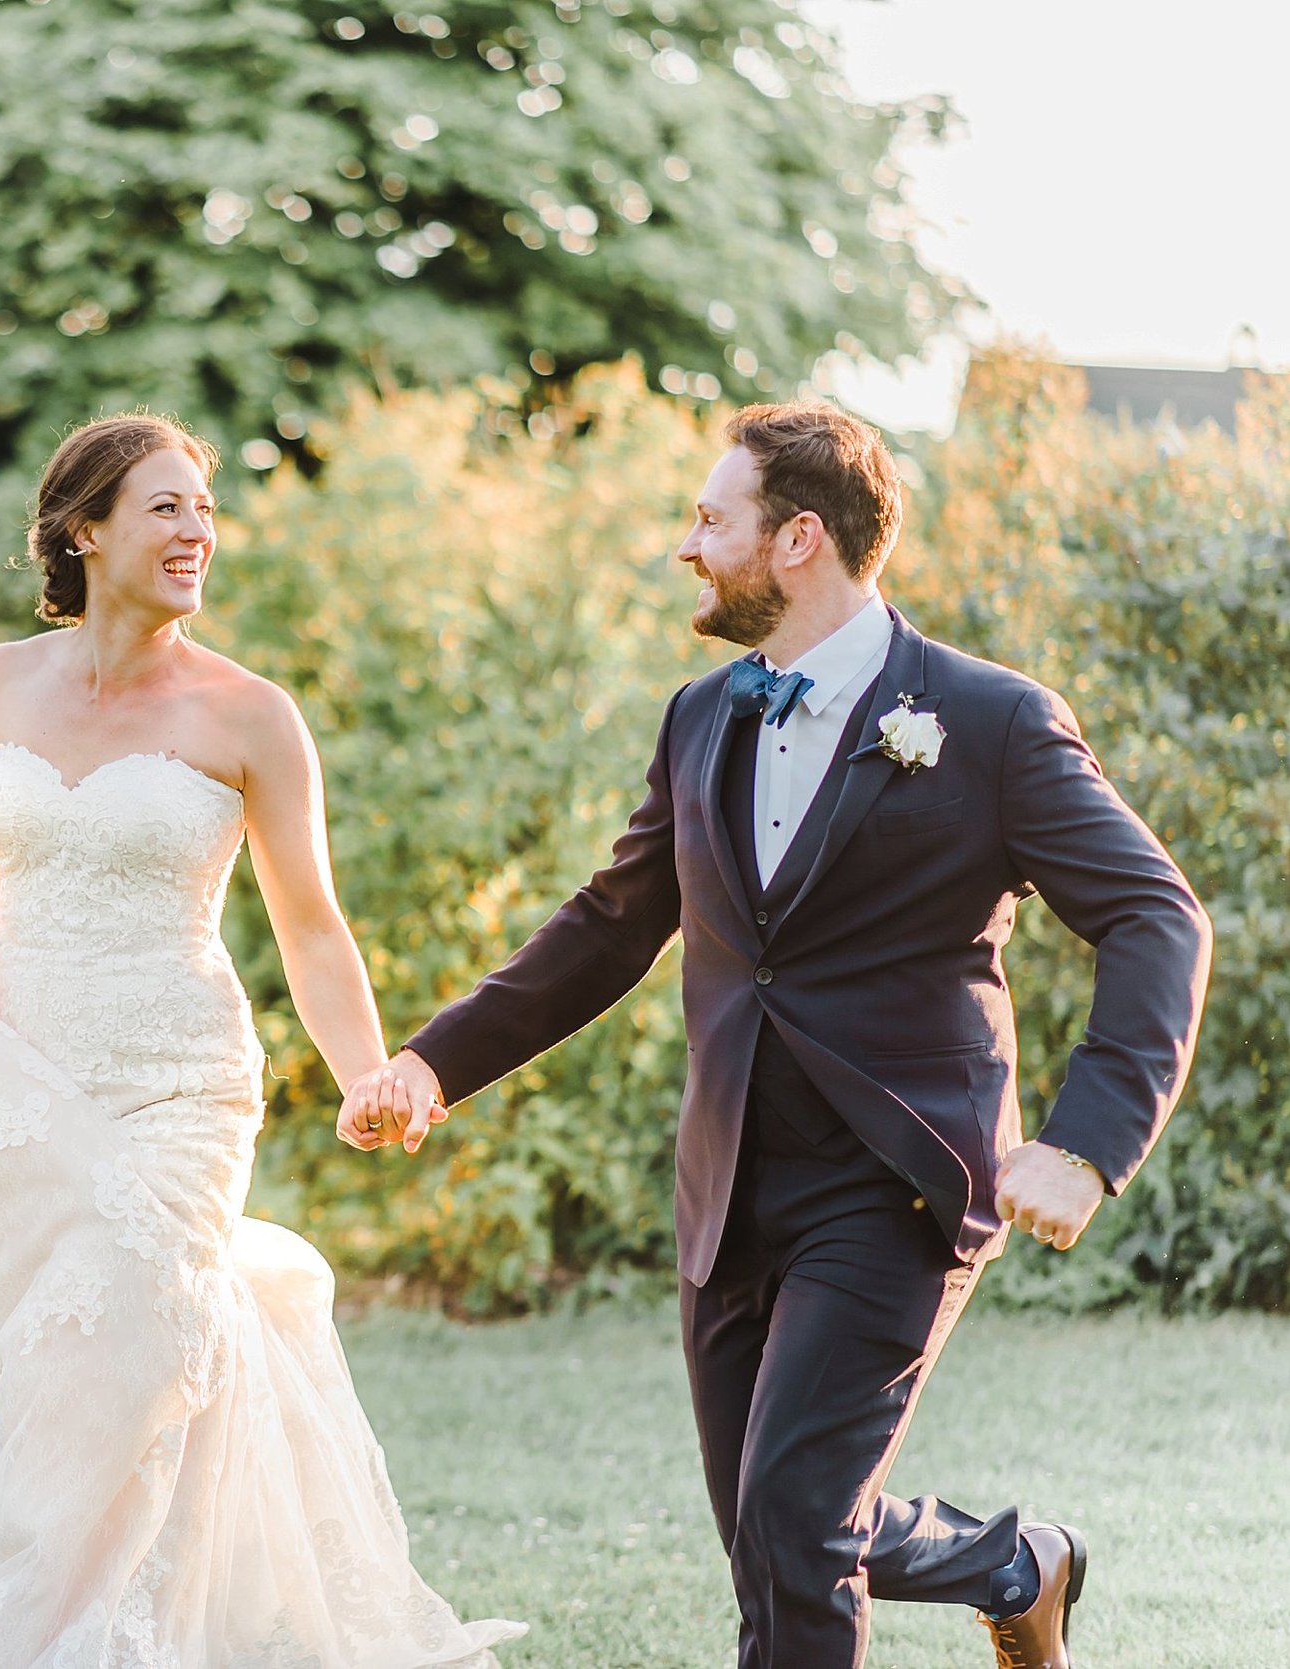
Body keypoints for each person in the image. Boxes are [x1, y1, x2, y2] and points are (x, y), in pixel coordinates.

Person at [340, 402, 1211, 1669]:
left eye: (710, 519)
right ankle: (1015, 1566)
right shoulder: (701, 717)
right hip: (729, 1182)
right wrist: (433, 1062)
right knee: (775, 1532)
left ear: (798, 537)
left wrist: (1085, 1142)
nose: (687, 545)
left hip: (898, 1181)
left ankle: (1009, 1566)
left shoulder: (990, 721)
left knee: (793, 1526)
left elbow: (1153, 915)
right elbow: (608, 924)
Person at [0, 413, 523, 1666]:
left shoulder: (252, 716)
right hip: (18, 1077)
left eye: (203, 511)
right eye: (166, 507)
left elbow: (313, 930)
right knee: (47, 1387)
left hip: (179, 1089)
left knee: (122, 1349)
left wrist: (367, 1068)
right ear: (84, 529)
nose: (197, 532)